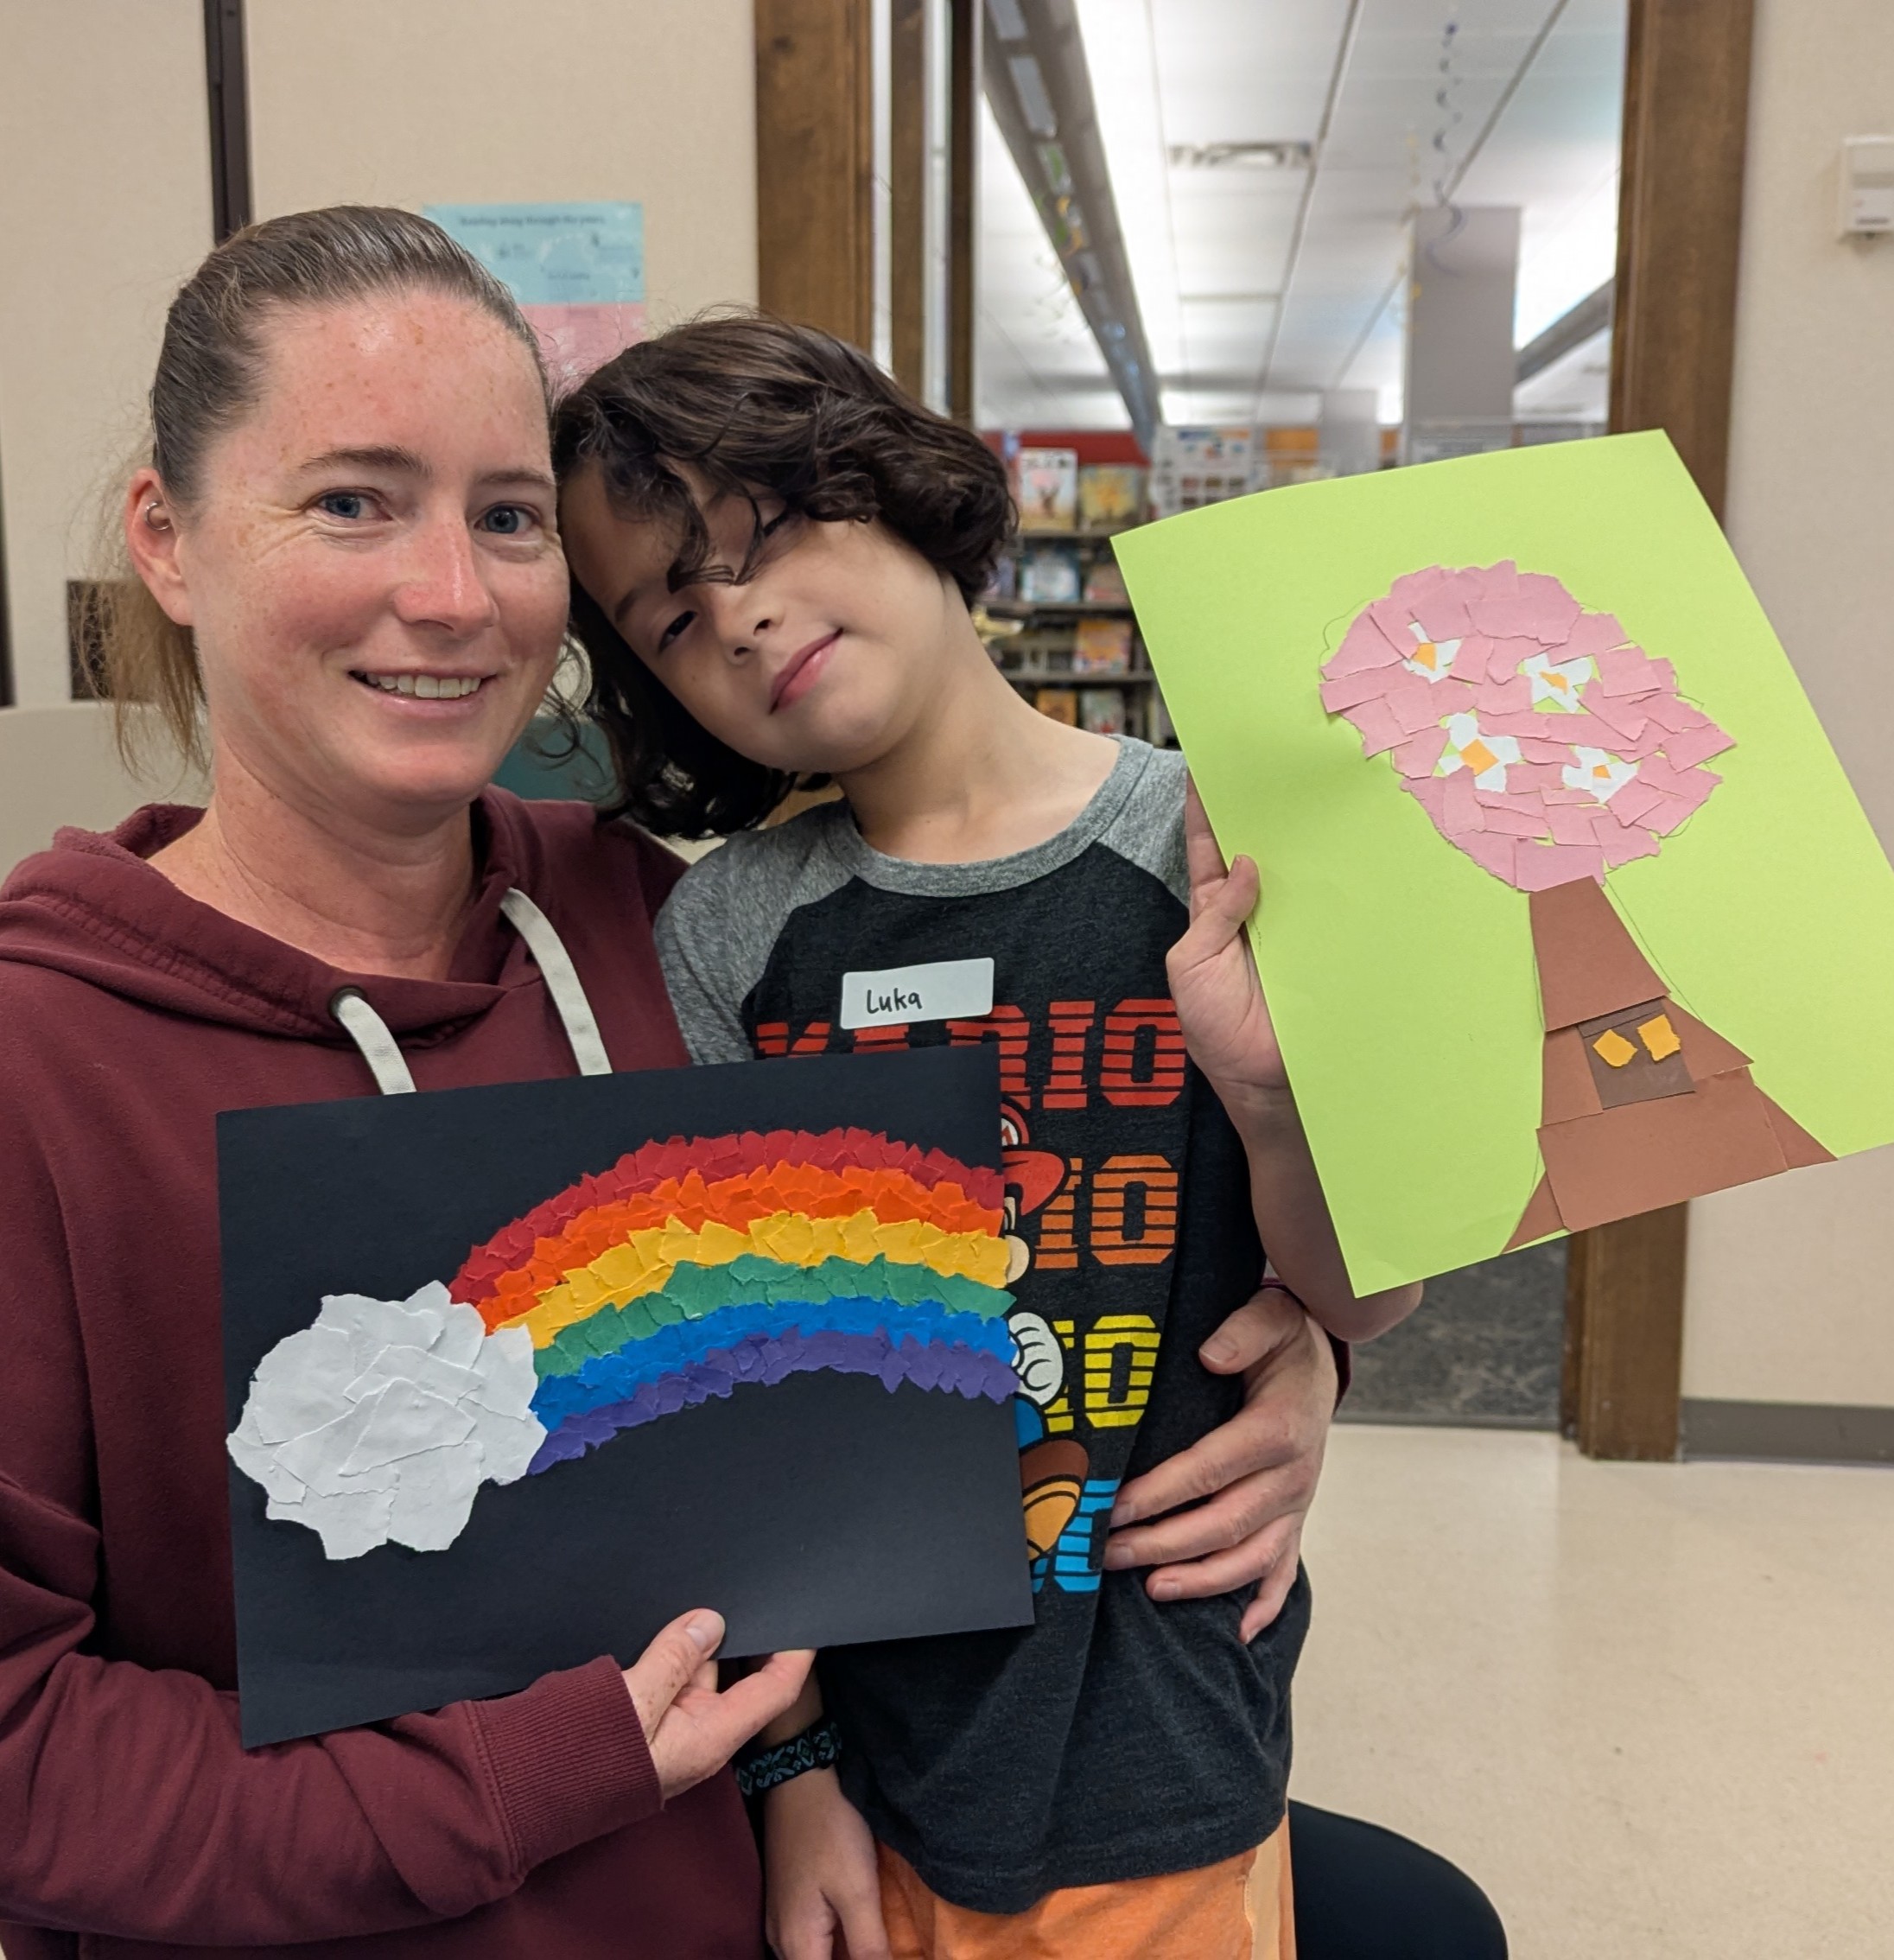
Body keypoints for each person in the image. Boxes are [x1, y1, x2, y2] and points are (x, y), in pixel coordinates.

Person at [0, 208, 1350, 1958]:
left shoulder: (659, 928)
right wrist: (538, 1771)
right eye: (350, 500)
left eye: (504, 519)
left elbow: (947, 1323)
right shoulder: (45, 1057)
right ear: (167, 544)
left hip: (826, 1881)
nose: (451, 594)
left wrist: (1290, 1346)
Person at [552, 316, 1424, 1959]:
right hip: (869, 1771)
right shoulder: (733, 930)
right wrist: (794, 1769)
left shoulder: (1214, 842)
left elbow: (1364, 1304)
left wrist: (1269, 1106)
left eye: (770, 530)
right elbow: (738, 1401)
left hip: (1169, 1726)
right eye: (674, 613)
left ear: (901, 488)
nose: (736, 613)